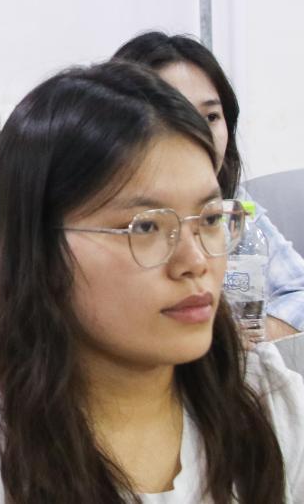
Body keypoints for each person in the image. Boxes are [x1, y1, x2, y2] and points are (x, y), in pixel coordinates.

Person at [0, 62, 303, 502]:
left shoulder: (265, 398)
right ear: (39, 250)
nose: (195, 262)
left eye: (209, 219)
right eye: (146, 227)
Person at [114, 32, 303, 340]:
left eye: (211, 116)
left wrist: (250, 334)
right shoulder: (112, 220)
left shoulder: (236, 206)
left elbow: (299, 290)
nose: (200, 134)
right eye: (175, 116)